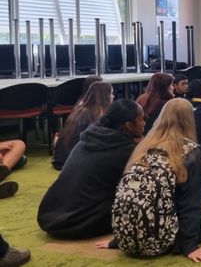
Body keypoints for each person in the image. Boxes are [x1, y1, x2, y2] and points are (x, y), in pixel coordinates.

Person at [100, 98, 201, 262]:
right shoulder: (191, 151)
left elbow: (131, 196)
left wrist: (118, 240)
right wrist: (190, 246)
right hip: (167, 239)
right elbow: (191, 204)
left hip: (130, 239)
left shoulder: (143, 147)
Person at [37, 99, 144, 239]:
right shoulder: (125, 150)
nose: (144, 123)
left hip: (49, 215)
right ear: (129, 125)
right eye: (142, 119)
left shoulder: (89, 138)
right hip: (77, 223)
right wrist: (143, 146)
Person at [52, 82, 114, 170]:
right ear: (104, 96)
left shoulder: (80, 109)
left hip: (61, 159)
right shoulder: (94, 114)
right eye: (111, 93)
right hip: (73, 161)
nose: (113, 96)